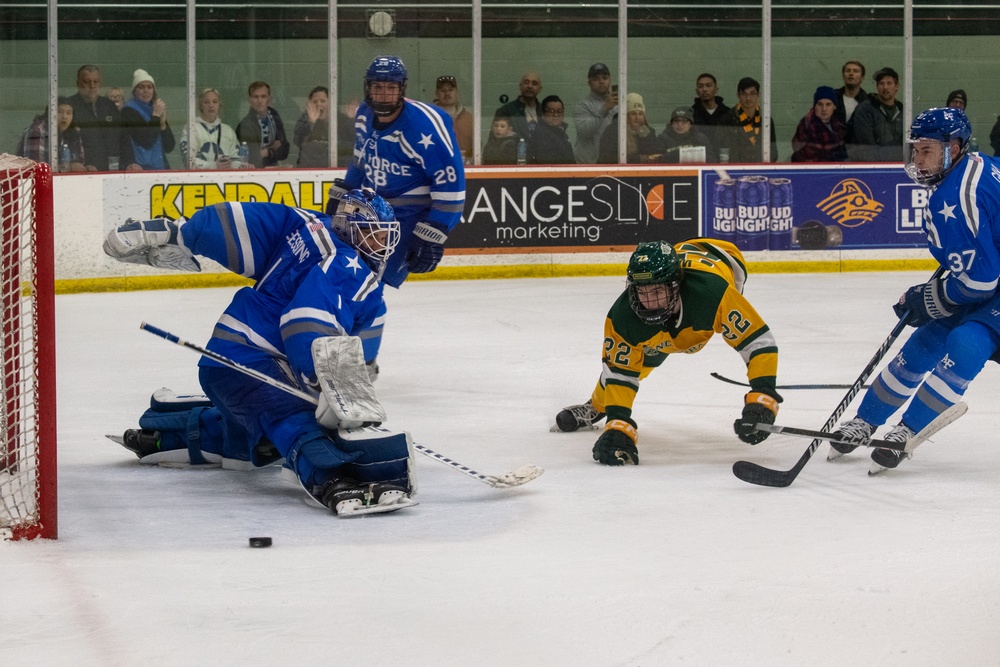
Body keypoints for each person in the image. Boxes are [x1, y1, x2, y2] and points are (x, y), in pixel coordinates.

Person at [101, 188, 415, 515]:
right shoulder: (350, 268)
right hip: (257, 361)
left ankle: (166, 434)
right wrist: (326, 382)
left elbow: (248, 223)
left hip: (224, 359)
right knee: (294, 418)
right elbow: (306, 319)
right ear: (352, 229)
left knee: (252, 438)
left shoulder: (310, 226)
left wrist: (184, 232)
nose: (382, 246)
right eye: (375, 235)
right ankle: (332, 477)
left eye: (384, 237)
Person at [829, 107, 1000, 473]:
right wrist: (933, 295)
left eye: (926, 151)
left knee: (967, 343)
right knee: (926, 341)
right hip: (989, 273)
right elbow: (977, 259)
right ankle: (866, 420)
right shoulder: (978, 166)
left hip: (991, 283)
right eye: (916, 150)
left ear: (953, 148)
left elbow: (982, 281)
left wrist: (930, 298)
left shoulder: (953, 197)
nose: (917, 161)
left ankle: (906, 431)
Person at [551, 238, 781, 466]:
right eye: (642, 291)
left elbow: (757, 342)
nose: (650, 302)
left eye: (657, 291)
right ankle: (595, 406)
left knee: (716, 327)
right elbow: (620, 373)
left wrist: (763, 396)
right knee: (639, 363)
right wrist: (618, 423)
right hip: (678, 305)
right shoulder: (622, 317)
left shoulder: (712, 294)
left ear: (675, 285)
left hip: (723, 259)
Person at [338, 55, 466, 372]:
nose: (383, 94)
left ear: (402, 89)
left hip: (411, 212)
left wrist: (433, 233)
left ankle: (364, 362)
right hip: (373, 208)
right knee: (347, 274)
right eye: (377, 87)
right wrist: (342, 195)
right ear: (368, 88)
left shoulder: (427, 124)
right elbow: (360, 162)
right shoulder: (364, 116)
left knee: (369, 282)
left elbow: (452, 184)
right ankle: (345, 351)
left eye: (390, 88)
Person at [66, 64, 128, 171]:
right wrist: (73, 164)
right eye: (87, 81)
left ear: (100, 83)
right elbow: (63, 141)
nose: (92, 85)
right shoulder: (69, 107)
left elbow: (123, 137)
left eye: (96, 81)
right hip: (83, 172)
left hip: (112, 170)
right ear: (78, 84)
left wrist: (130, 162)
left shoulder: (109, 105)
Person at [120, 69, 176, 171]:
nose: (146, 90)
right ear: (134, 91)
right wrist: (155, 116)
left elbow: (169, 146)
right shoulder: (128, 111)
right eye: (141, 87)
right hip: (140, 168)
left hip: (161, 167)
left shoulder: (154, 109)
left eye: (149, 87)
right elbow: (146, 141)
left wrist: (163, 125)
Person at [15, 97, 86, 172]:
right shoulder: (37, 131)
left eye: (69, 113)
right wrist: (67, 168)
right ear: (50, 113)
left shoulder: (74, 132)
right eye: (59, 112)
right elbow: (35, 168)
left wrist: (86, 167)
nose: (64, 117)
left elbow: (80, 161)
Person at [850, 67, 904, 162]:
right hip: (872, 168)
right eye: (881, 83)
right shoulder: (865, 109)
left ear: (897, 87)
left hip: (897, 168)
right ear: (877, 86)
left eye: (889, 83)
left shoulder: (902, 111)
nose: (885, 87)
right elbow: (867, 147)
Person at [179, 87, 241, 170]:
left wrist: (233, 165)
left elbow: (237, 159)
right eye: (206, 102)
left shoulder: (228, 131)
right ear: (201, 106)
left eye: (215, 102)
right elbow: (188, 160)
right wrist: (213, 166)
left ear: (219, 106)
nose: (211, 105)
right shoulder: (191, 128)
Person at [721, 77, 778, 163]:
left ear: (758, 95)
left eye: (752, 93)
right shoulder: (728, 119)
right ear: (738, 95)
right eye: (744, 94)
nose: (748, 98)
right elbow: (723, 149)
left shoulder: (766, 119)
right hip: (736, 169)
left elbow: (773, 151)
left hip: (761, 168)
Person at [598, 93, 663, 164]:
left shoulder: (649, 132)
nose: (637, 118)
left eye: (640, 114)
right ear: (626, 116)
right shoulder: (613, 131)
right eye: (633, 114)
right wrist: (639, 159)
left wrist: (644, 137)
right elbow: (608, 158)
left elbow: (654, 154)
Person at [237, 81, 289, 168]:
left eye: (263, 96)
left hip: (274, 167)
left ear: (269, 99)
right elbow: (254, 158)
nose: (260, 101)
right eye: (255, 97)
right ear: (249, 100)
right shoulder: (246, 125)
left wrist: (267, 152)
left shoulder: (274, 116)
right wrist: (271, 149)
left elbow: (285, 150)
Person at [572, 62, 617, 164]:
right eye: (595, 79)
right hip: (588, 166)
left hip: (612, 163)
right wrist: (604, 109)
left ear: (610, 80)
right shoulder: (582, 106)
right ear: (589, 83)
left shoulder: (618, 106)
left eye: (604, 78)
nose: (601, 82)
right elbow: (585, 131)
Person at [790, 86, 848, 162]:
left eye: (828, 104)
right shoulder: (807, 125)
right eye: (820, 104)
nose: (824, 109)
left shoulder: (836, 124)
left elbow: (842, 153)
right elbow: (810, 157)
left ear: (834, 106)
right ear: (814, 106)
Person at [690, 73, 732, 161]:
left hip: (724, 161)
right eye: (701, 86)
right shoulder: (691, 114)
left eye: (709, 86)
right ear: (697, 91)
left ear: (716, 90)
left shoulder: (728, 113)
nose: (705, 89)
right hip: (699, 162)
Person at [433, 76, 473, 163]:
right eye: (443, 90)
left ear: (456, 92)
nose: (447, 93)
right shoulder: (429, 117)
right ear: (437, 93)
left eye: (450, 90)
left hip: (466, 167)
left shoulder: (469, 118)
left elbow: (477, 146)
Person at [493, 70, 543, 140]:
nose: (529, 86)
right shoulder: (506, 111)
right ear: (520, 86)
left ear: (540, 89)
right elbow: (493, 142)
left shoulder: (545, 111)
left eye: (534, 84)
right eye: (526, 82)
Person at [528, 95, 575, 164]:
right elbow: (549, 166)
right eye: (551, 111)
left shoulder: (561, 133)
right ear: (543, 114)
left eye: (559, 111)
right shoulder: (541, 135)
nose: (556, 115)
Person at [293, 86, 331, 168]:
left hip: (333, 169)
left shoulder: (338, 120)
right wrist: (311, 122)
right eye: (315, 101)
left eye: (323, 101)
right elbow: (297, 141)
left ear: (330, 103)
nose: (318, 104)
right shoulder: (304, 119)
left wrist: (351, 120)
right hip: (308, 171)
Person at [833, 61, 867, 133]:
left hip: (858, 143)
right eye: (848, 71)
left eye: (855, 71)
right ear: (843, 76)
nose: (851, 74)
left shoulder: (867, 101)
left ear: (862, 77)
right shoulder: (832, 97)